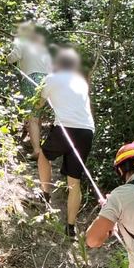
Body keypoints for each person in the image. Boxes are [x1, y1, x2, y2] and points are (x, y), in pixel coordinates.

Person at [34, 47, 94, 238]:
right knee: (74, 182)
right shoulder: (80, 82)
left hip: (66, 128)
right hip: (86, 131)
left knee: (44, 155)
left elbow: (37, 106)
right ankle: (70, 227)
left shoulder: (51, 79)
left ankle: (45, 194)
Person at [7, 21, 53, 158]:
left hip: (31, 79)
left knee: (32, 117)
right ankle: (40, 146)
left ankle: (37, 150)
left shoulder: (21, 42)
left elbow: (13, 57)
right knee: (38, 114)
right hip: (49, 79)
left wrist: (5, 57)